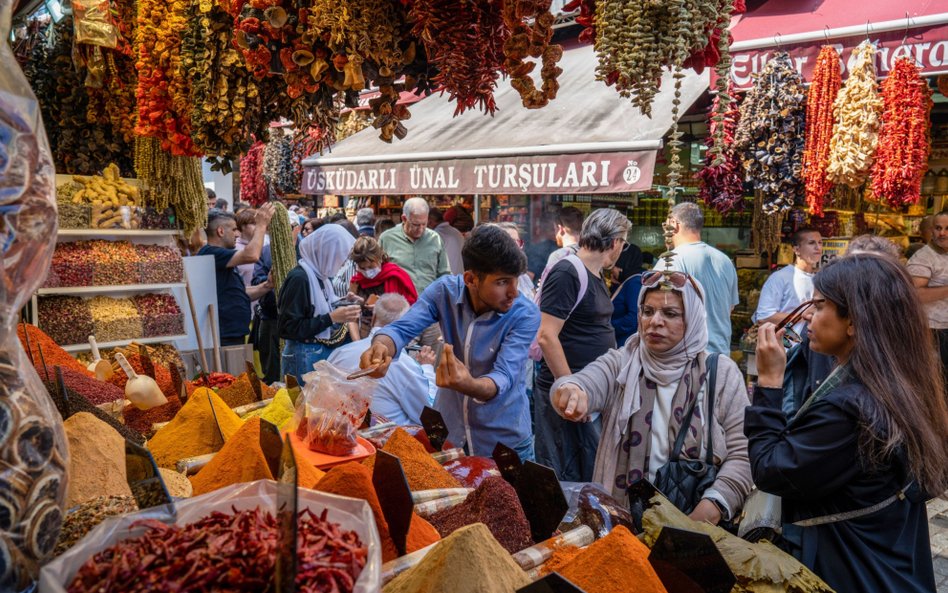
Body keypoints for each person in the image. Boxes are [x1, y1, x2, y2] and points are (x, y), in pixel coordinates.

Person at [747, 255, 948, 593]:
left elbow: (771, 469)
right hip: (888, 560)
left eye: (821, 305)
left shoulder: (850, 408)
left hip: (848, 567)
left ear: (853, 321)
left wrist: (768, 383)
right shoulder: (899, 383)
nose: (809, 315)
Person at [550, 270, 752, 522]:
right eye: (647, 311)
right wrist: (571, 390)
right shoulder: (622, 363)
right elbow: (585, 382)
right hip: (622, 522)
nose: (655, 321)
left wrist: (711, 508)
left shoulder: (720, 374)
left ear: (694, 319)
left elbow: (742, 454)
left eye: (670, 314)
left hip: (695, 525)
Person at [359, 225, 541, 460]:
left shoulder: (525, 314)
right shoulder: (443, 292)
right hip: (451, 435)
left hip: (505, 443)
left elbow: (504, 376)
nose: (513, 292)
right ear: (471, 279)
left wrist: (470, 385)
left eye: (516, 280)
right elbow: (403, 328)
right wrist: (381, 346)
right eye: (502, 282)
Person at [534, 209, 630, 482]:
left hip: (586, 395)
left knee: (587, 474)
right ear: (615, 242)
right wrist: (569, 386)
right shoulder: (568, 271)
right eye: (623, 244)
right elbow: (546, 336)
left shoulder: (596, 273)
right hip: (567, 400)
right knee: (564, 476)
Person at [329, 294, 432, 425]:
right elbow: (428, 416)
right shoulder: (407, 366)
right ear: (406, 325)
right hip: (381, 440)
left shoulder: (340, 352)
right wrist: (427, 368)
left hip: (338, 430)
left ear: (374, 318)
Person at [277, 225, 361, 383]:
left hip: (313, 354)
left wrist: (342, 301)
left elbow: (317, 307)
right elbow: (287, 327)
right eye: (339, 257)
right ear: (327, 253)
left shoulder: (320, 276)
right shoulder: (300, 279)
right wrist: (331, 318)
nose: (342, 264)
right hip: (302, 357)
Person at [666, 202, 739, 354]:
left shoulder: (670, 261)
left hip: (687, 359)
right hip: (720, 356)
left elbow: (663, 313)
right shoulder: (725, 260)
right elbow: (729, 308)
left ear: (674, 224)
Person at [199, 206, 274, 347]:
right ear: (220, 231)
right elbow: (252, 255)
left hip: (233, 333)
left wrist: (267, 285)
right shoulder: (211, 253)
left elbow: (239, 292)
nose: (237, 234)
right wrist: (261, 225)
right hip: (222, 336)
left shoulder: (223, 257)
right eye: (234, 230)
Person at [380, 198, 451, 346]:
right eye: (415, 225)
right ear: (404, 218)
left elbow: (444, 274)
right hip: (402, 314)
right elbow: (378, 274)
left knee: (432, 359)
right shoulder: (387, 239)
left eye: (424, 224)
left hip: (431, 311)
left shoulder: (434, 238)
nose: (420, 229)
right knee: (406, 359)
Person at [753, 228, 822, 333]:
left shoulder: (821, 278)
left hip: (812, 345)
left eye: (820, 242)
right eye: (811, 243)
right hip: (787, 347)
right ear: (796, 249)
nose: (818, 247)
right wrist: (804, 315)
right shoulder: (780, 278)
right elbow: (764, 317)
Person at [906, 210, 948, 381]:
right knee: (935, 380)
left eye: (947, 228)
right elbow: (915, 295)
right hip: (932, 330)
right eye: (938, 228)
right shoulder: (923, 258)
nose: (942, 233)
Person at [349, 236, 418, 338]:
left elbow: (410, 310)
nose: (367, 271)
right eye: (363, 268)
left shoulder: (395, 276)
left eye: (371, 267)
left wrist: (382, 308)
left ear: (380, 258)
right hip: (364, 334)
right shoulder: (356, 282)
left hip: (394, 334)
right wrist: (358, 344)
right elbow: (352, 318)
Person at [610, 244, 644, 347]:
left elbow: (633, 319)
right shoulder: (629, 281)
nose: (613, 270)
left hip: (624, 344)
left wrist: (607, 328)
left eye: (615, 266)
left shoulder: (634, 282)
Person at [496, 222, 535, 300]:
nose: (517, 246)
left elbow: (535, 302)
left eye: (518, 241)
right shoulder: (494, 276)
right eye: (512, 241)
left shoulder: (524, 277)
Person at [544, 206, 584, 271]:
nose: (555, 233)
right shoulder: (591, 254)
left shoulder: (558, 256)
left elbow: (550, 281)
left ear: (561, 229)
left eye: (555, 229)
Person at [429, 207, 465, 275]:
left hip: (446, 280)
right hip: (460, 278)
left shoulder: (436, 235)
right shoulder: (457, 232)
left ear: (430, 221)